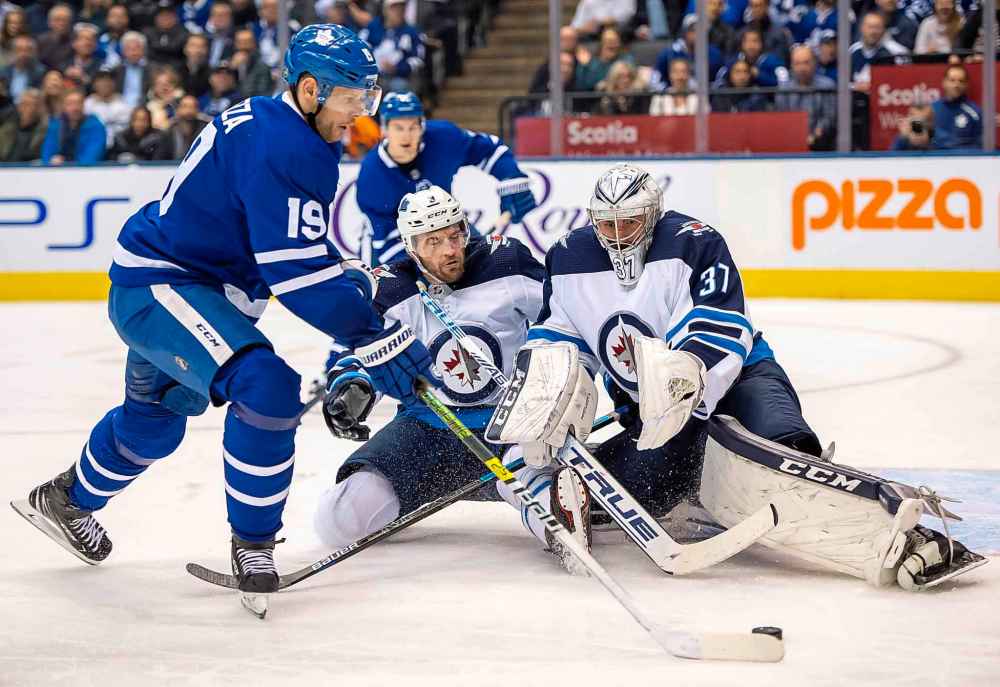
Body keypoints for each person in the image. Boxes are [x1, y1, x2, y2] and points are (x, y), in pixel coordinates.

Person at [11, 24, 438, 612]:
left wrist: (352, 274)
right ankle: (254, 543)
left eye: (368, 99)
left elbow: (288, 244)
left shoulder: (291, 128)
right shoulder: (284, 144)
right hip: (165, 286)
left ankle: (67, 500)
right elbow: (292, 275)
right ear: (311, 89)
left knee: (153, 424)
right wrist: (374, 335)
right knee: (268, 386)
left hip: (189, 286)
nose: (361, 114)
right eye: (351, 99)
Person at [484, 162, 985, 591]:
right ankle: (688, 491)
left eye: (629, 223)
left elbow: (721, 327)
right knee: (635, 491)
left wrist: (686, 388)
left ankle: (916, 535)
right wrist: (547, 390)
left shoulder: (695, 243)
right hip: (653, 417)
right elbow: (559, 336)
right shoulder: (568, 257)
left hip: (740, 377)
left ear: (653, 215)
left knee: (784, 454)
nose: (617, 235)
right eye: (607, 224)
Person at [313, 186, 586, 567]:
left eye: (455, 235)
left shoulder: (504, 261)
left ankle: (558, 512)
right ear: (412, 246)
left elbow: (566, 315)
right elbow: (361, 352)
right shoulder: (392, 288)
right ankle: (401, 496)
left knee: (553, 507)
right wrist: (354, 386)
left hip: (505, 425)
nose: (449, 250)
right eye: (433, 241)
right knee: (337, 522)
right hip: (425, 431)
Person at [357, 91, 538, 267]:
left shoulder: (444, 138)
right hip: (396, 242)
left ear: (422, 126)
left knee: (484, 269)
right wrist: (425, 269)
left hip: (447, 223)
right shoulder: (372, 174)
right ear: (384, 129)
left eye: (413, 126)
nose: (407, 135)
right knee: (392, 290)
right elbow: (388, 240)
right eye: (399, 127)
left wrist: (512, 180)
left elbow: (490, 150)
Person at [776, 44, 836, 150]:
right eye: (797, 63)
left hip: (823, 144)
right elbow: (782, 120)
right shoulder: (783, 90)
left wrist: (815, 136)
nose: (802, 68)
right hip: (791, 143)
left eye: (806, 63)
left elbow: (829, 117)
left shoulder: (827, 86)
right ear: (791, 65)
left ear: (814, 63)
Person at [357, 0, 424, 95]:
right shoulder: (373, 27)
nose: (399, 11)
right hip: (372, 74)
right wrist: (371, 64)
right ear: (385, 10)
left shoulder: (412, 31)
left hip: (398, 77)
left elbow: (418, 60)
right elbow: (359, 46)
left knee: (399, 86)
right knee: (359, 86)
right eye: (394, 8)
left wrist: (398, 68)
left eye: (402, 8)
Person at [41, 88, 107, 164]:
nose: (75, 108)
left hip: (85, 172)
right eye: (70, 104)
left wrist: (68, 166)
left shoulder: (95, 126)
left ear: (83, 105)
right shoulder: (55, 125)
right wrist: (51, 160)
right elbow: (47, 152)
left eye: (78, 103)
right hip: (58, 171)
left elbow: (92, 156)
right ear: (63, 106)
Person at [849, 12, 910, 89]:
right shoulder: (853, 50)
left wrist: (874, 86)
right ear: (862, 28)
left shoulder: (897, 52)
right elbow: (842, 82)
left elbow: (905, 81)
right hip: (856, 98)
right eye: (870, 27)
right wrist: (855, 87)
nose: (873, 32)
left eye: (877, 27)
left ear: (884, 30)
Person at [930, 63, 982, 150]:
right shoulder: (931, 109)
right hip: (934, 161)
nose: (956, 85)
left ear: (966, 84)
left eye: (961, 81)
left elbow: (980, 146)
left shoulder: (975, 112)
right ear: (944, 82)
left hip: (965, 160)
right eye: (952, 80)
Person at [85, 67, 132, 145]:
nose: (105, 83)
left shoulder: (123, 104)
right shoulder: (87, 104)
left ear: (114, 83)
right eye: (101, 80)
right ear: (94, 84)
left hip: (117, 147)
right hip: (92, 144)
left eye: (109, 80)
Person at [0, 87, 48, 161]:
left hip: (28, 169)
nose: (26, 108)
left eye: (32, 104)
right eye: (23, 104)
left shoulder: (44, 129)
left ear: (38, 108)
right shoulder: (7, 125)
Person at [157, 93, 209, 159]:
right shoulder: (169, 132)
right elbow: (159, 160)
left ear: (198, 110)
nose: (189, 111)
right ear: (178, 110)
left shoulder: (206, 131)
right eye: (185, 106)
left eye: (193, 107)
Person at [0, 35, 46, 101]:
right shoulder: (3, 72)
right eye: (19, 50)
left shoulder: (39, 72)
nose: (23, 54)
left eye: (27, 50)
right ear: (12, 52)